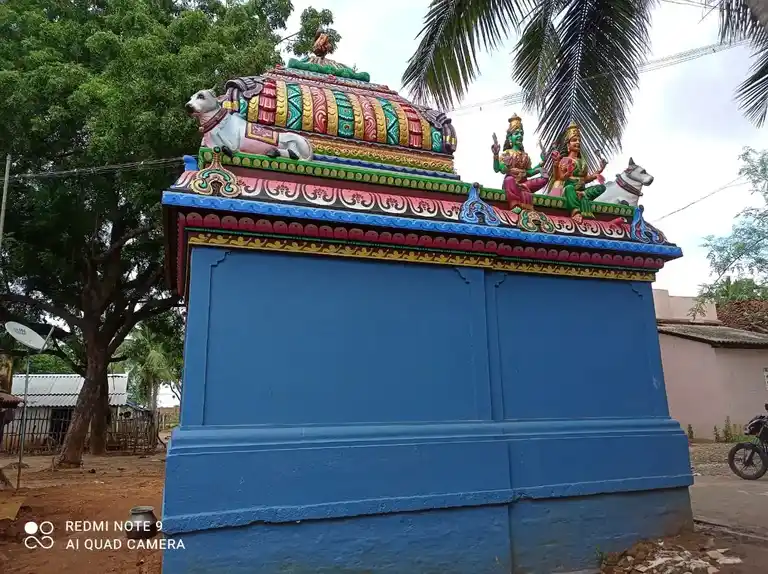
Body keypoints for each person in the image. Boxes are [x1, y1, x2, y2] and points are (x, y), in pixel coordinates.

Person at [548, 122, 607, 223]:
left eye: (579, 140)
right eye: (574, 140)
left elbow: (585, 179)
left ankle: (582, 194)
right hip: (567, 190)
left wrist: (599, 171)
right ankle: (575, 211)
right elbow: (559, 178)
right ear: (568, 145)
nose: (578, 142)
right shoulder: (564, 160)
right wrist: (566, 173)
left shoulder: (582, 162)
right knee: (569, 188)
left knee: (601, 187)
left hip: (581, 190)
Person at [491, 114, 547, 211]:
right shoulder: (507, 153)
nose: (520, 136)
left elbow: (529, 172)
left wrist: (540, 166)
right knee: (509, 180)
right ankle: (515, 204)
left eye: (521, 133)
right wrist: (496, 155)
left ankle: (523, 189)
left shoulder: (525, 156)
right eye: (516, 133)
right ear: (510, 138)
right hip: (512, 183)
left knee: (544, 179)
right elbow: (498, 169)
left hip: (525, 184)